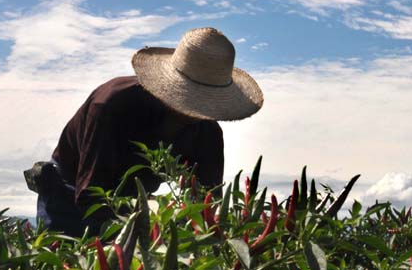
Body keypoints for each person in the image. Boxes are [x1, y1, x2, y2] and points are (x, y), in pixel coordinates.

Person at [28, 27, 264, 236]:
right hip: (70, 196)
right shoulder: (112, 105)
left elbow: (206, 206)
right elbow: (92, 195)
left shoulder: (207, 133)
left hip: (135, 206)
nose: (193, 114)